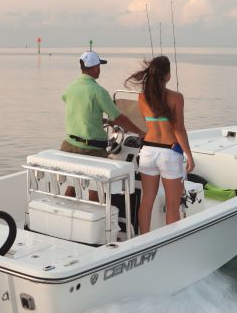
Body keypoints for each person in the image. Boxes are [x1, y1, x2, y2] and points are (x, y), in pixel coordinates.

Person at [124, 55, 195, 233]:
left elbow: (150, 122)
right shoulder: (176, 97)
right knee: (172, 205)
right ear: (168, 75)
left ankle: (143, 238)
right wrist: (189, 155)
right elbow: (179, 129)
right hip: (169, 153)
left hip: (147, 152)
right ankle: (170, 241)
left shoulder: (142, 98)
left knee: (147, 200)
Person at [61, 51, 145, 199]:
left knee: (71, 186)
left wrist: (102, 121)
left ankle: (66, 216)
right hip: (91, 150)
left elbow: (79, 109)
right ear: (95, 68)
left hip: (68, 146)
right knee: (97, 190)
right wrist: (140, 132)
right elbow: (120, 118)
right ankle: (97, 219)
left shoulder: (71, 87)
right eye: (99, 66)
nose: (100, 69)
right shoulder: (98, 91)